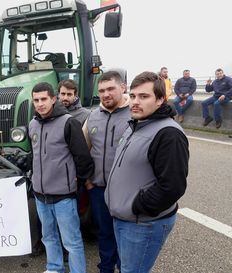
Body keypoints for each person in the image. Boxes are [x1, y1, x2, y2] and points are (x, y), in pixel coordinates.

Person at [105, 71, 189, 273]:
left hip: (142, 223)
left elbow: (172, 187)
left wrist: (136, 206)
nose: (135, 102)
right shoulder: (137, 125)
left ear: (161, 99)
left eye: (144, 97)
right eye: (133, 96)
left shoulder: (168, 134)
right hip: (125, 218)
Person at [29, 82, 94, 273]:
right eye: (36, 100)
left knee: (71, 241)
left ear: (53, 99)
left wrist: (75, 184)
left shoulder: (68, 122)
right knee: (48, 237)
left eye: (43, 99)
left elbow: (83, 159)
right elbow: (34, 156)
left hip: (63, 196)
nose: (40, 104)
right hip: (41, 195)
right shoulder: (32, 124)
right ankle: (54, 267)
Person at [82, 71, 129, 273]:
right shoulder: (93, 116)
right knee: (104, 232)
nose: (106, 94)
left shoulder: (135, 114)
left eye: (111, 89)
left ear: (123, 88)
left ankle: (125, 267)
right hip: (98, 188)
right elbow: (84, 150)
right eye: (101, 90)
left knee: (125, 233)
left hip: (125, 190)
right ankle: (106, 268)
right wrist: (87, 180)